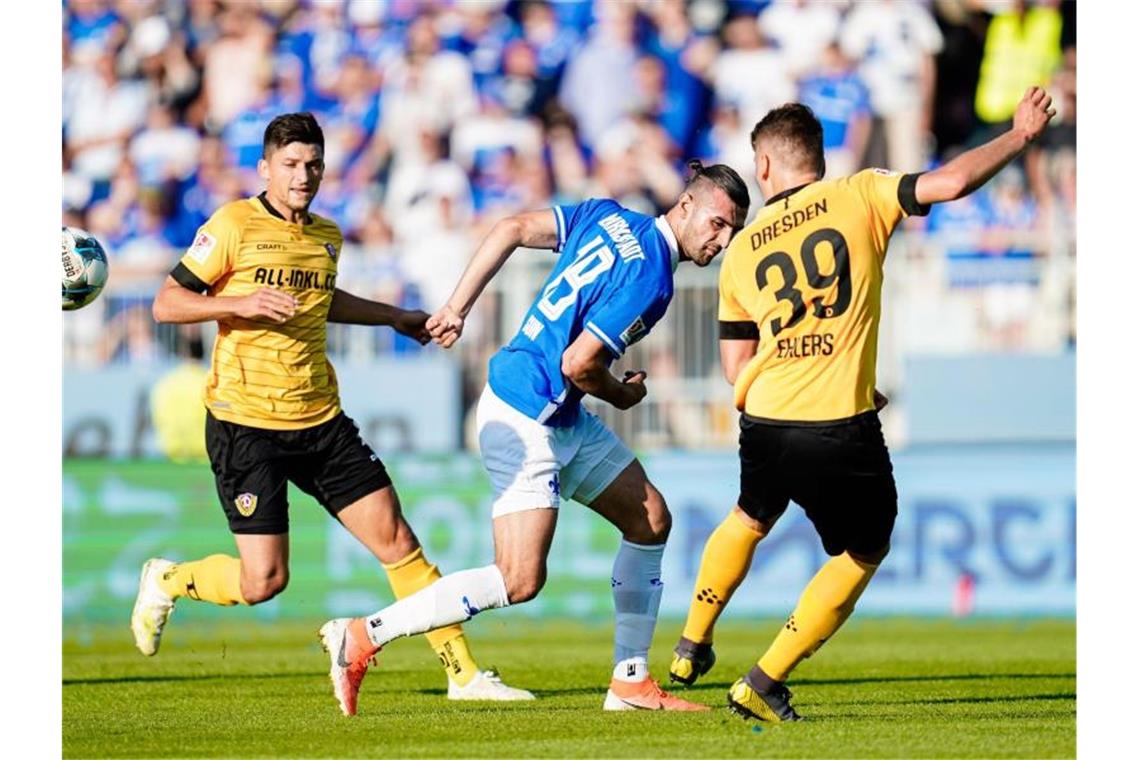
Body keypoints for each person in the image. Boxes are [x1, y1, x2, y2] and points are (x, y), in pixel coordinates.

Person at [668, 88, 1056, 722]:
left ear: (763, 167)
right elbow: (952, 182)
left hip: (763, 415)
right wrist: (1019, 136)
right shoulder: (861, 193)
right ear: (816, 158)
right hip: (836, 422)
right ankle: (762, 682)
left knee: (750, 516)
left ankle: (691, 644)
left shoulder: (742, 248)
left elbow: (735, 366)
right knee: (865, 546)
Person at [318, 160, 750, 716]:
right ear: (685, 206)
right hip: (529, 413)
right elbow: (579, 364)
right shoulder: (653, 277)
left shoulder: (607, 216)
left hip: (552, 410)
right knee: (519, 579)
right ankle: (361, 635)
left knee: (650, 519)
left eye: (733, 230)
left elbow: (510, 229)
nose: (723, 239)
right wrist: (622, 395)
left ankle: (631, 683)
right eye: (717, 223)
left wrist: (456, 308)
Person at [131, 112, 532, 709]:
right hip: (247, 424)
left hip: (321, 420)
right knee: (264, 581)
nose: (303, 175)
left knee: (399, 542)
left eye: (313, 164)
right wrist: (242, 301)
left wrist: (393, 316)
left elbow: (325, 298)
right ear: (265, 168)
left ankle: (464, 675)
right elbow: (167, 302)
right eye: (290, 165)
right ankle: (168, 578)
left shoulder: (326, 235)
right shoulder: (233, 225)